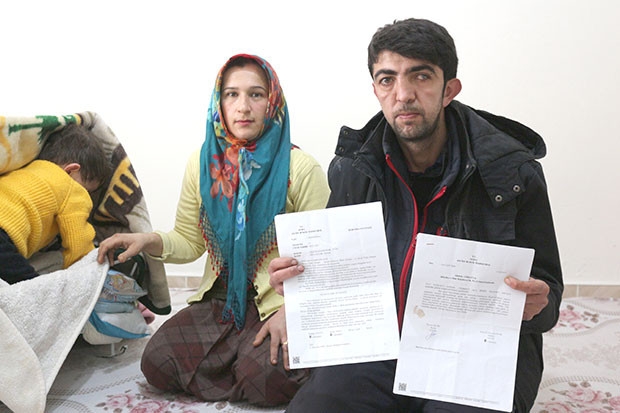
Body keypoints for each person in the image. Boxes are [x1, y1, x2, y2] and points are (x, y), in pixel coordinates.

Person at [268, 18, 563, 413]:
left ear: (449, 90)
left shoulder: (512, 173)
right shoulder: (353, 168)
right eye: (387, 79)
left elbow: (549, 292)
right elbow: (336, 277)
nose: (403, 94)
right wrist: (302, 285)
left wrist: (540, 302)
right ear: (376, 89)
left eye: (420, 76)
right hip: (380, 346)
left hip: (474, 351)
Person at [97, 54, 330, 406]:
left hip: (278, 302)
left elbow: (323, 260)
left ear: (272, 101)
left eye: (256, 94)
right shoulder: (202, 163)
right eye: (232, 94)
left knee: (263, 380)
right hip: (221, 301)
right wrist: (147, 239)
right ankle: (242, 362)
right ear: (219, 102)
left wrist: (291, 313)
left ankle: (250, 364)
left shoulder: (300, 168)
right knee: (157, 361)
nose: (243, 107)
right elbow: (189, 241)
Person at [0, 123, 110, 284]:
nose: (86, 196)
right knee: (32, 287)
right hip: (2, 237)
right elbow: (79, 244)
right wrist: (90, 271)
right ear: (71, 170)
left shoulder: (26, 167)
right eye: (86, 190)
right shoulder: (70, 187)